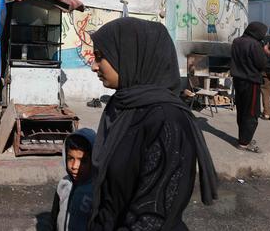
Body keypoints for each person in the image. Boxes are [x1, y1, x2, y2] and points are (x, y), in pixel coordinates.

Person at [88, 17, 217, 230]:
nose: (94, 66)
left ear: (130, 57)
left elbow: (152, 217)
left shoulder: (167, 122)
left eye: (100, 57)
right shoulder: (123, 105)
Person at [231, 22, 270, 153]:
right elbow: (261, 64)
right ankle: (244, 143)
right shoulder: (255, 45)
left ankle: (243, 138)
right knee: (252, 112)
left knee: (242, 110)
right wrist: (265, 52)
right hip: (251, 81)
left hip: (238, 80)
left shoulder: (237, 41)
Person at [50, 128, 96, 231]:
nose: (75, 166)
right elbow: (54, 216)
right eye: (71, 158)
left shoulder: (96, 191)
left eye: (83, 161)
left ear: (94, 160)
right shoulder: (63, 184)